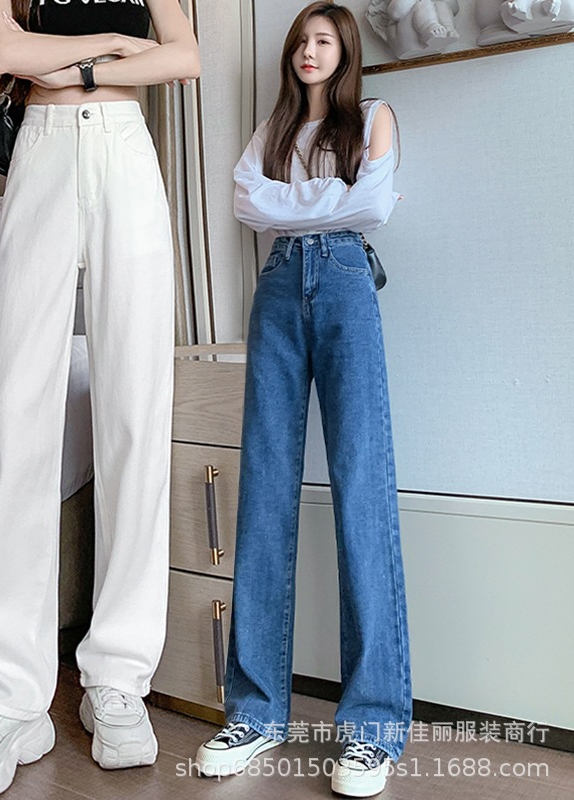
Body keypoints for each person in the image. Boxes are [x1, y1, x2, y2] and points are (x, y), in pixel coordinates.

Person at [0, 1, 199, 798]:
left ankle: (117, 678)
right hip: (43, 150)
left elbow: (183, 57)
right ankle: (6, 700)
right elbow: (5, 51)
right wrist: (115, 46)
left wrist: (69, 63)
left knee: (134, 415)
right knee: (18, 417)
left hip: (125, 150)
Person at [193, 3, 411, 797]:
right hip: (280, 289)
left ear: (345, 50)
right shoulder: (274, 129)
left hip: (347, 282)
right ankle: (254, 711)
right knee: (265, 491)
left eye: (322, 41)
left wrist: (299, 204)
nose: (308, 52)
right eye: (300, 42)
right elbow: (247, 204)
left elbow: (372, 207)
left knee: (361, 488)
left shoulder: (375, 117)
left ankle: (373, 727)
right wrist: (328, 198)